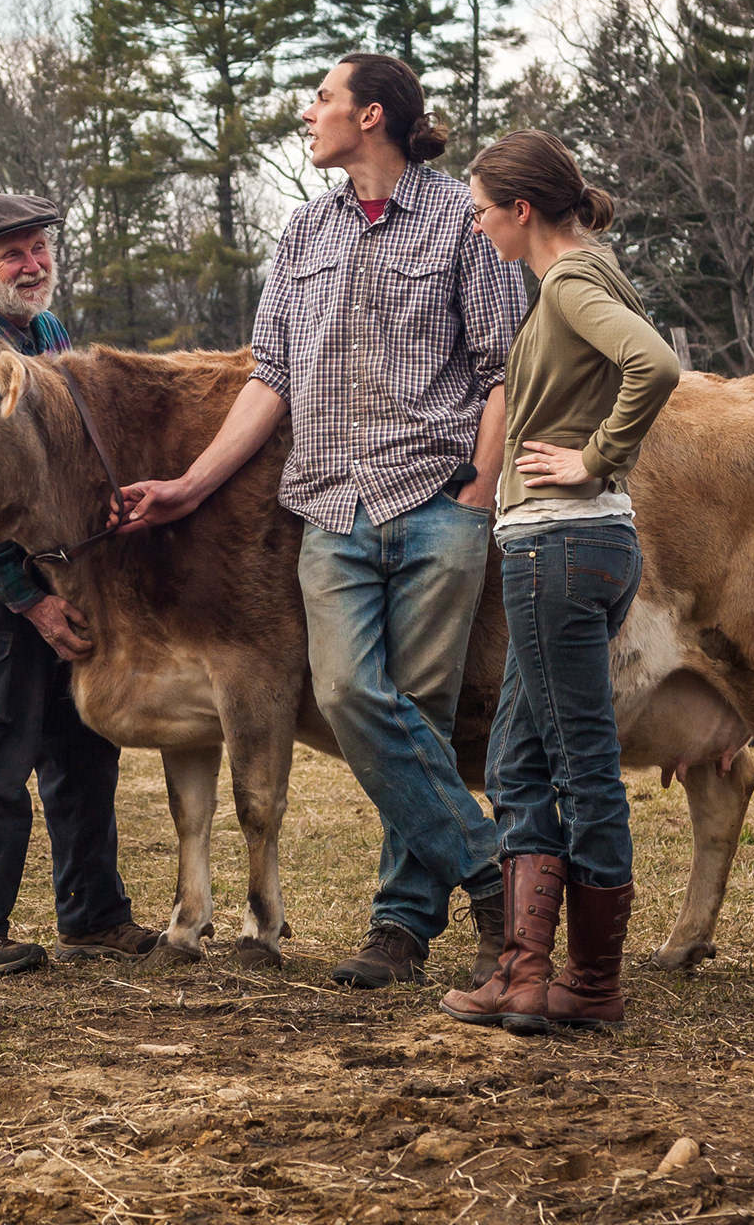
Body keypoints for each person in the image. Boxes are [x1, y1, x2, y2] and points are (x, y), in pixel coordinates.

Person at [117, 54, 526, 989]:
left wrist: (478, 490)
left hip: (435, 504)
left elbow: (504, 367)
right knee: (347, 699)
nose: (308, 115)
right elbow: (274, 379)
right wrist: (191, 482)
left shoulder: (461, 224)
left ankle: (400, 932)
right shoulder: (304, 232)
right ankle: (492, 868)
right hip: (330, 511)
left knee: (417, 716)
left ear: (369, 115)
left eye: (322, 100)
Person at [439, 130, 680, 1034]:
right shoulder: (591, 271)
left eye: (481, 211)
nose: (476, 226)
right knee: (518, 760)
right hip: (589, 547)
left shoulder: (572, 282)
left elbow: (654, 365)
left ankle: (590, 985)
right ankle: (524, 975)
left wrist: (594, 458)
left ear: (522, 210)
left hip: (560, 546)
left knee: (581, 768)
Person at [0, 193, 160, 978]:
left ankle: (93, 917)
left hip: (73, 566)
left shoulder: (52, 337)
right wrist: (27, 599)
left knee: (86, 749)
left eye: (39, 249)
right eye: (12, 255)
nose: (33, 266)